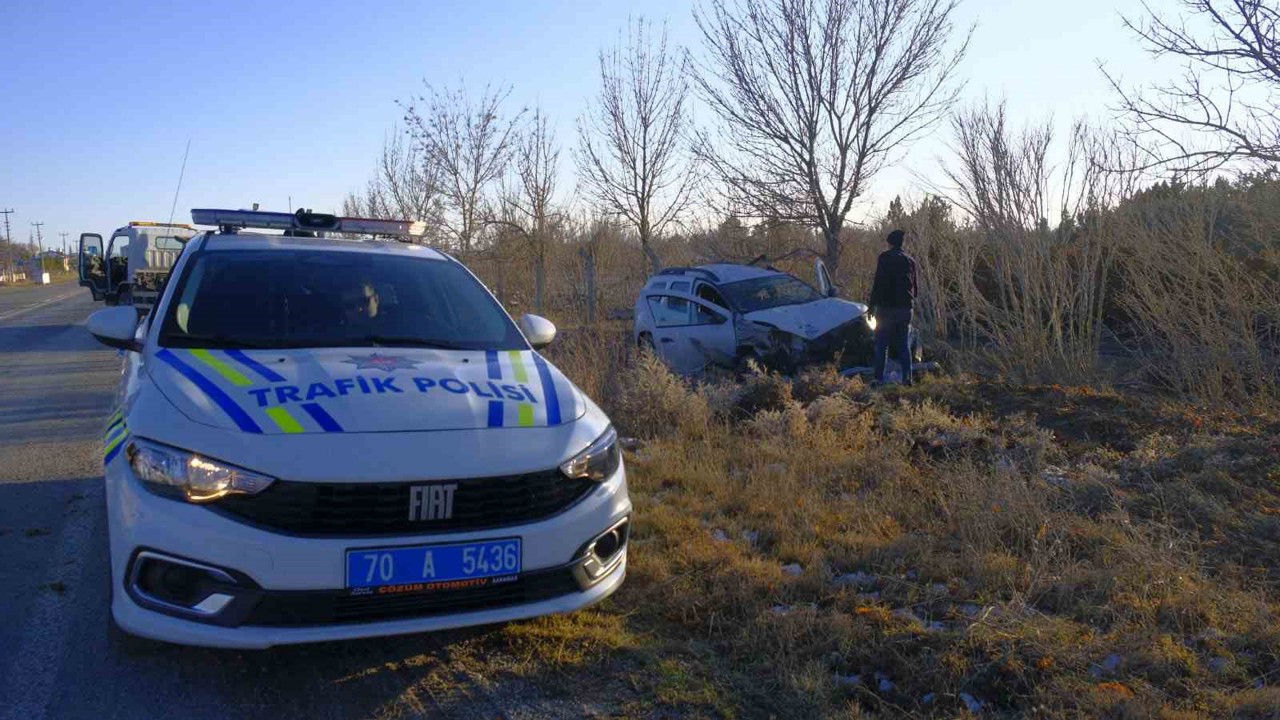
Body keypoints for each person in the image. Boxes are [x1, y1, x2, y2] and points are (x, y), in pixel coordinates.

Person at [867, 229, 918, 386]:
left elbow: (878, 284)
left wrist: (871, 307)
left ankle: (878, 379)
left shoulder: (884, 258)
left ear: (889, 243)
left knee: (882, 344)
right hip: (905, 309)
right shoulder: (911, 261)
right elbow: (915, 289)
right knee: (903, 345)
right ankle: (907, 378)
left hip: (886, 308)